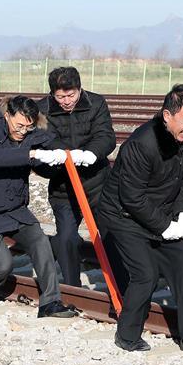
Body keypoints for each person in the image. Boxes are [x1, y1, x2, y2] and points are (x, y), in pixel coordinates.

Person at [97, 84, 183, 357]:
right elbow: (132, 198)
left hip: (160, 211)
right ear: (167, 115)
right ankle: (127, 335)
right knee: (145, 273)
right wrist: (166, 227)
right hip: (123, 216)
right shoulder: (142, 144)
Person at [0, 95, 76, 318]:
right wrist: (31, 153)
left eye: (28, 127)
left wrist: (66, 154)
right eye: (19, 125)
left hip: (14, 206)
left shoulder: (31, 130)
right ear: (7, 116)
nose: (23, 131)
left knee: (41, 242)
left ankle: (50, 303)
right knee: (3, 265)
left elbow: (52, 140)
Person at [35, 67, 115, 287]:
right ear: (52, 94)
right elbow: (45, 142)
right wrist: (64, 158)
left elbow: (106, 135)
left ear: (80, 89)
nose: (67, 101)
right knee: (66, 239)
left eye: (71, 95)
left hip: (98, 185)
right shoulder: (42, 110)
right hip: (64, 188)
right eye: (60, 96)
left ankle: (119, 286)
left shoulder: (96, 103)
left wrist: (90, 153)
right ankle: (72, 287)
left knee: (111, 237)